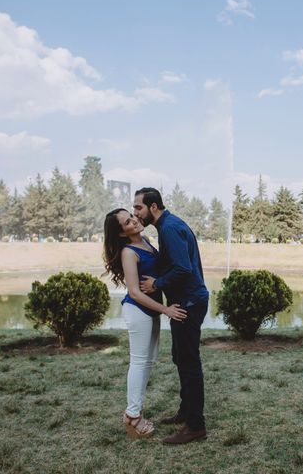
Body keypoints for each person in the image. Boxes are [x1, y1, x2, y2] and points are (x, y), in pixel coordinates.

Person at [133, 187, 210, 445]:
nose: (136, 212)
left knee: (189, 363)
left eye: (138, 207)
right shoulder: (168, 225)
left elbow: (183, 269)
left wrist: (157, 284)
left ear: (153, 207)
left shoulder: (167, 229)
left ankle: (196, 426)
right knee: (181, 357)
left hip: (188, 303)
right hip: (184, 301)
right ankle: (186, 411)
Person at [103, 208, 187, 439]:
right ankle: (132, 416)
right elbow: (135, 293)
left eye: (131, 215)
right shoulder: (128, 252)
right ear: (121, 233)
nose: (134, 221)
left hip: (152, 310)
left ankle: (136, 411)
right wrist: (166, 310)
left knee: (149, 362)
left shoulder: (147, 241)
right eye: (127, 222)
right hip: (138, 309)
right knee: (139, 363)